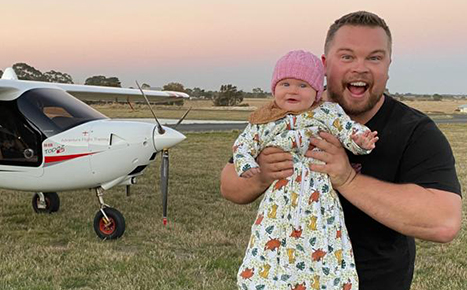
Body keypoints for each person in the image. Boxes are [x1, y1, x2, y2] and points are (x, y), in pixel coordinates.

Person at [221, 11, 462, 290]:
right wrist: (262, 174)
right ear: (324, 65)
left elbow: (443, 222)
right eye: (347, 56)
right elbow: (229, 187)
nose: (360, 68)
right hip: (283, 278)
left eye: (374, 57)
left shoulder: (415, 131)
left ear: (387, 65)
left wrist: (347, 179)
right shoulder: (281, 116)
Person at [233, 50, 378, 290]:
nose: (292, 90)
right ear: (274, 88)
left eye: (303, 85)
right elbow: (243, 144)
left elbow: (347, 130)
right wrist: (247, 163)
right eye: (285, 83)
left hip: (319, 198)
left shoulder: (326, 113)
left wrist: (361, 140)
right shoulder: (264, 119)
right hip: (279, 198)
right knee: (273, 242)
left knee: (321, 243)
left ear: (316, 92)